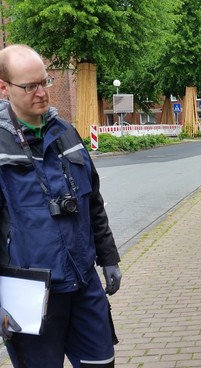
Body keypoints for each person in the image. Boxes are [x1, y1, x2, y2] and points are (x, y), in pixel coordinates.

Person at [0, 44, 122, 367]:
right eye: (30, 86)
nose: (41, 93)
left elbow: (93, 202)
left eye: (45, 82)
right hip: (29, 299)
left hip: (83, 285)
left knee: (102, 363)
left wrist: (109, 257)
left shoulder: (67, 133)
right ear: (4, 88)